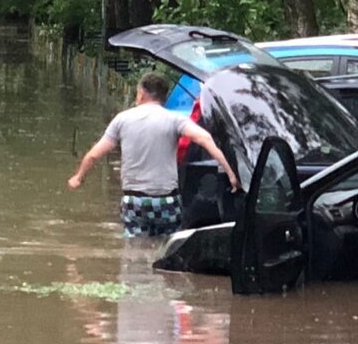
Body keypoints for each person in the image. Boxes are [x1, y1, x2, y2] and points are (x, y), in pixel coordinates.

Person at [67, 72, 239, 238]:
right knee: (166, 249)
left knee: (134, 250)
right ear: (164, 96)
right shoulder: (175, 120)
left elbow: (94, 155)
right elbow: (205, 139)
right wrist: (231, 173)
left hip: (135, 202)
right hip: (166, 202)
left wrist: (78, 177)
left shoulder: (122, 119)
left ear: (141, 94)